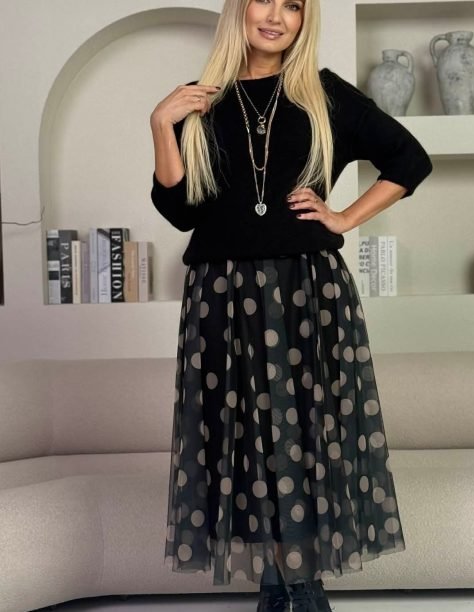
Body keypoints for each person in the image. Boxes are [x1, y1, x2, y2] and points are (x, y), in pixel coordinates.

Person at [150, 0, 432, 610]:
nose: (277, 16)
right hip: (222, 295)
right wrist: (160, 125)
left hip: (307, 291)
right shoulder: (200, 101)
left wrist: (343, 217)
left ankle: (298, 590)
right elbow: (180, 211)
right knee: (242, 439)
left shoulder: (323, 94)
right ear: (239, 8)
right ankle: (283, 587)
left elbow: (410, 160)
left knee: (302, 436)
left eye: (294, 5)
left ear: (305, 19)